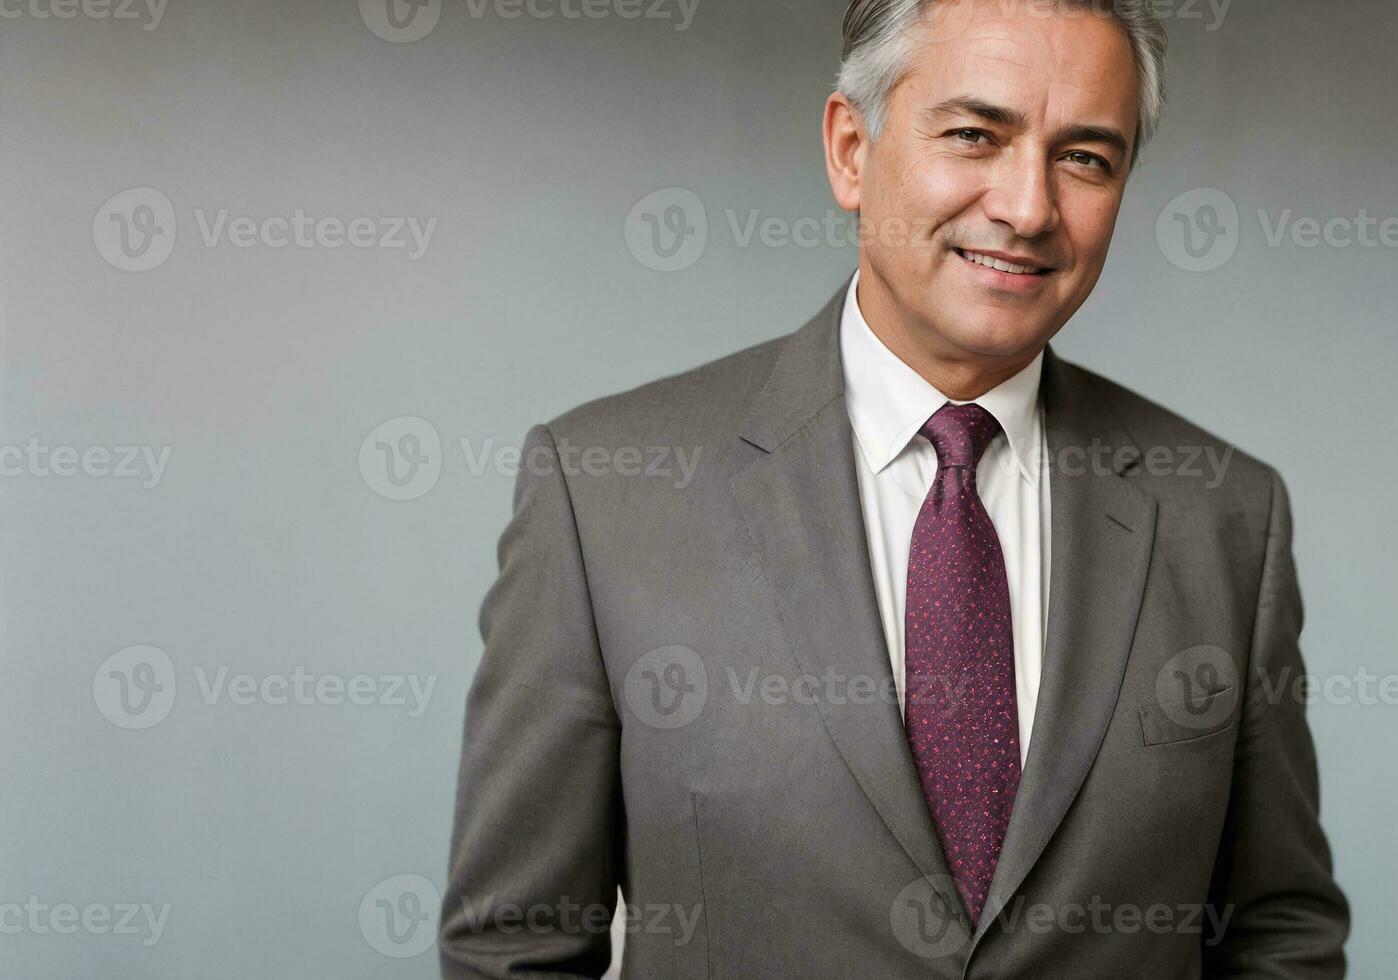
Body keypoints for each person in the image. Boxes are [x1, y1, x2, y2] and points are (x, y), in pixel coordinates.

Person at [440, 1, 1350, 976]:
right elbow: (516, 943)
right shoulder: (606, 495)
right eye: (973, 135)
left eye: (1085, 157)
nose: (1028, 206)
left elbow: (1274, 933)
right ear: (849, 150)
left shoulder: (1222, 516)